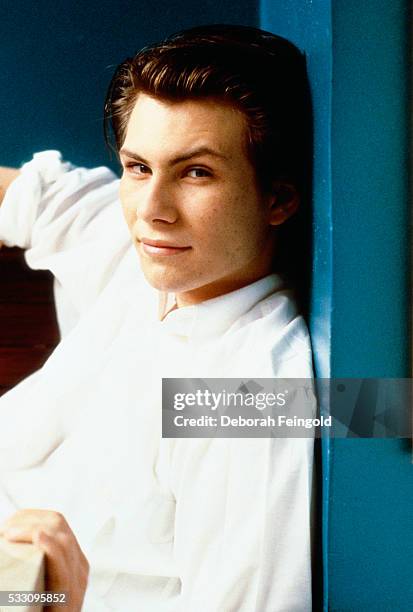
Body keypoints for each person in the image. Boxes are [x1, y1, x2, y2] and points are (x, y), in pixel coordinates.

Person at [0, 25, 315, 611]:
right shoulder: (146, 250)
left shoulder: (251, 399)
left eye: (197, 173)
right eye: (138, 166)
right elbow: (35, 196)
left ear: (279, 199)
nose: (151, 212)